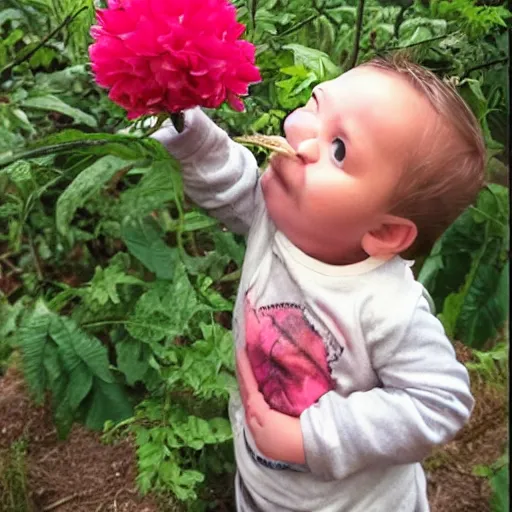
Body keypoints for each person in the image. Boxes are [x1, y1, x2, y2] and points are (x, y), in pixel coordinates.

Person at [152, 54, 485, 512]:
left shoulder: (386, 306)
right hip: (264, 485)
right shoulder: (275, 218)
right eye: (314, 104)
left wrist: (307, 438)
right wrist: (190, 133)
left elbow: (440, 402)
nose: (297, 133)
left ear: (384, 233)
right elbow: (233, 187)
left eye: (340, 149)